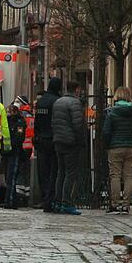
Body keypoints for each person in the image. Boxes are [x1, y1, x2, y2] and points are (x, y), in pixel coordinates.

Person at [103, 87, 132, 215]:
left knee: (115, 175)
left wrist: (107, 145)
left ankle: (115, 204)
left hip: (115, 147)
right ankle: (126, 205)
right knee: (128, 176)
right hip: (131, 147)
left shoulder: (111, 112)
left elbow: (106, 131)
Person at [52, 80, 85, 215]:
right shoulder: (75, 103)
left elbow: (54, 122)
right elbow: (78, 125)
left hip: (59, 141)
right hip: (70, 142)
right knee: (70, 173)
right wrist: (81, 141)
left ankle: (57, 201)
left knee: (61, 172)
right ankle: (66, 203)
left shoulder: (58, 102)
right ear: (76, 89)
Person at [34, 77, 62, 212]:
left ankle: (44, 197)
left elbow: (37, 122)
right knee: (54, 170)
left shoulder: (41, 102)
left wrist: (36, 137)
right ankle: (51, 199)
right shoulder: (57, 101)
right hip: (53, 139)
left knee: (43, 170)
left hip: (41, 140)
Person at [2, 99, 28, 209]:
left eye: (11, 111)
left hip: (14, 152)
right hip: (5, 152)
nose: (9, 113)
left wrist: (10, 146)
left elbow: (19, 138)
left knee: (12, 177)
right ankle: (9, 200)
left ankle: (10, 201)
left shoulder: (20, 122)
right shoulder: (6, 121)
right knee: (8, 177)